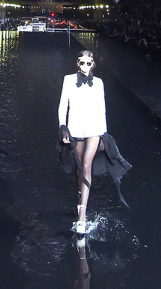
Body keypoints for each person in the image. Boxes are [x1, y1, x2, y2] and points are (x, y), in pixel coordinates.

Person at [59, 49, 107, 234]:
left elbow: (102, 108)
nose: (85, 66)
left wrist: (103, 134)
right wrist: (63, 126)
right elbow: (63, 104)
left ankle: (82, 213)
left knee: (87, 165)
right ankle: (81, 198)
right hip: (76, 127)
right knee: (79, 167)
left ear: (93, 64)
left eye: (89, 63)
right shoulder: (68, 80)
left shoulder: (99, 83)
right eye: (82, 63)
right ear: (77, 63)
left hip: (94, 127)